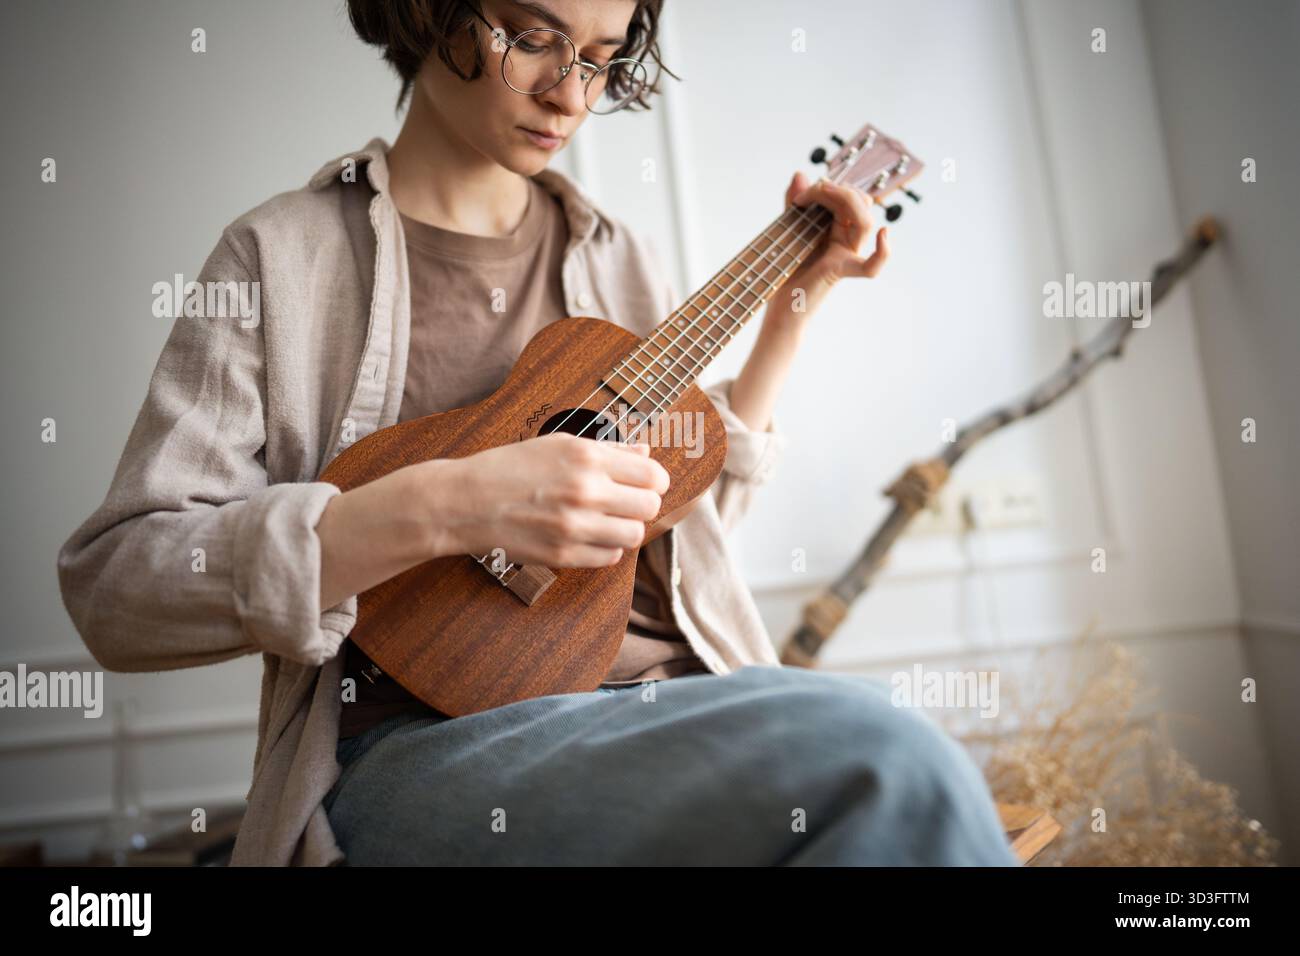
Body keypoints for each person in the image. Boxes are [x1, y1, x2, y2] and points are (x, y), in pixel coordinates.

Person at [57, 0, 1020, 866]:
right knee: (887, 758)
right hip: (424, 746)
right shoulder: (281, 258)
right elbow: (119, 588)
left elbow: (683, 532)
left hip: (678, 704)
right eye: (531, 37)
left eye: (600, 57)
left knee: (883, 765)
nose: (569, 95)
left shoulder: (616, 257)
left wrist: (794, 308)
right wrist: (447, 505)